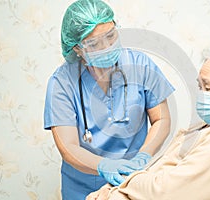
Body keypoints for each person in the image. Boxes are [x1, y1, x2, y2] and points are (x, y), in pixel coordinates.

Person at [86, 36, 210, 200]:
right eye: (200, 87)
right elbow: (158, 172)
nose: (201, 94)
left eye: (208, 88)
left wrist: (126, 180)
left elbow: (166, 193)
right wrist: (109, 189)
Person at [43, 0, 175, 199]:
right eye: (94, 43)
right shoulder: (62, 82)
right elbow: (67, 146)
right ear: (77, 48)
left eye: (111, 36)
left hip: (132, 181)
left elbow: (161, 119)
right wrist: (103, 166)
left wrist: (143, 156)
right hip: (82, 187)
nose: (106, 46)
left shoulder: (140, 64)